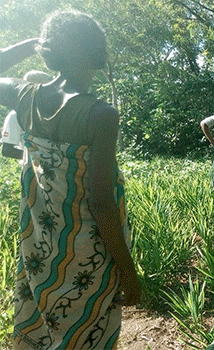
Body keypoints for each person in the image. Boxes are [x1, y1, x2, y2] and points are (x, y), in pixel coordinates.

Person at [0, 10, 141, 350]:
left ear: (52, 53)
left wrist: (34, 45)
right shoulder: (101, 115)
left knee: (43, 331)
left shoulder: (25, 96)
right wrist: (128, 272)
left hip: (40, 249)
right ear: (96, 55)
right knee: (86, 335)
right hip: (87, 255)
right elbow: (102, 202)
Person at [1, 70, 51, 160]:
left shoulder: (53, 111)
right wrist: (38, 158)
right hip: (33, 171)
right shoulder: (15, 115)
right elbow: (7, 150)